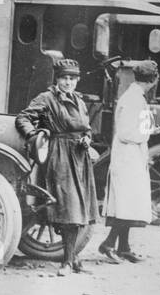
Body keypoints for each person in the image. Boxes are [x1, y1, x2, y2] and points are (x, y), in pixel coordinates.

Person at [15, 58, 98, 275]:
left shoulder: (78, 100)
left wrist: (87, 138)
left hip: (80, 157)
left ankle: (74, 259)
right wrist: (34, 136)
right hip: (60, 156)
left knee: (81, 208)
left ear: (77, 81)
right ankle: (67, 262)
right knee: (69, 209)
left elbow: (86, 128)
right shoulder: (47, 98)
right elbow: (23, 117)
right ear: (57, 79)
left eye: (72, 78)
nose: (68, 82)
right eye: (64, 78)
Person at [98, 60, 159, 263]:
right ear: (152, 80)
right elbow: (126, 132)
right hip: (127, 156)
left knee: (130, 202)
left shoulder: (136, 96)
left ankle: (124, 247)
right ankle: (108, 244)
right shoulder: (133, 99)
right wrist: (147, 133)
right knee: (126, 202)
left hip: (132, 155)